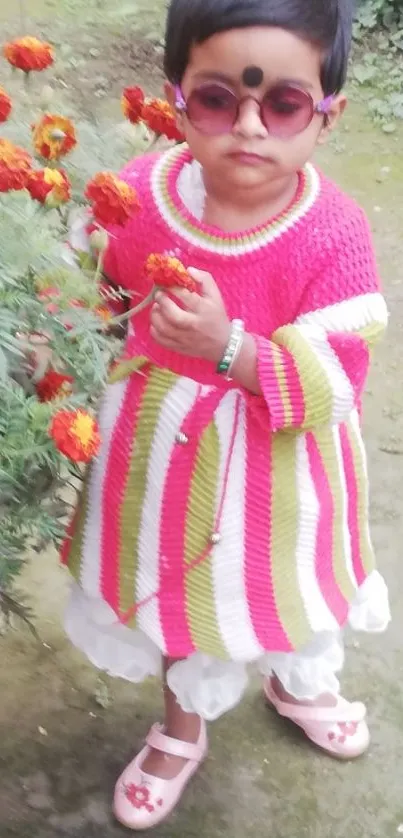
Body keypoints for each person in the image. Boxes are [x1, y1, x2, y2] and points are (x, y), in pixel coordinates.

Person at [63, 0, 391, 829]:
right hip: (158, 460)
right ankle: (180, 728)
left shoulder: (333, 234)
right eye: (218, 99)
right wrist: (59, 333)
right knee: (174, 590)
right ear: (178, 98)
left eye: (282, 103)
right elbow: (87, 287)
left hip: (282, 470)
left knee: (283, 590)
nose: (248, 126)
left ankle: (292, 682)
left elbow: (335, 376)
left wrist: (229, 350)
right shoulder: (137, 194)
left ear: (326, 113)